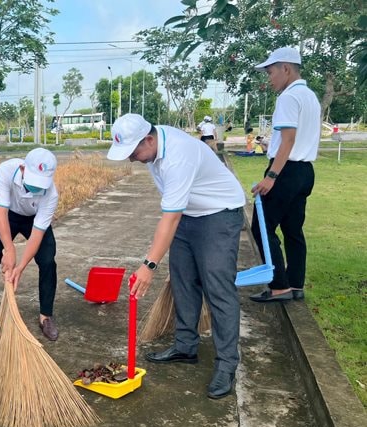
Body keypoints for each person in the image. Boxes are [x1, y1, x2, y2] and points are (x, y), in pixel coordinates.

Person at [107, 113, 246, 400]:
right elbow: (172, 212)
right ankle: (185, 346)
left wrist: (149, 265)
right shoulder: (154, 148)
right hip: (189, 214)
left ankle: (227, 365)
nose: (131, 159)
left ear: (148, 139)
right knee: (183, 280)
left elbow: (169, 219)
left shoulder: (177, 156)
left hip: (219, 213)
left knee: (217, 288)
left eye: (133, 152)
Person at [249, 47, 320, 303]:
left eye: (270, 72)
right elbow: (293, 140)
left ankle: (279, 287)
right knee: (292, 229)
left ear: (286, 69)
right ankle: (295, 283)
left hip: (286, 171)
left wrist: (271, 176)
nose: (269, 78)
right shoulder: (310, 96)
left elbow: (288, 140)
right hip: (304, 171)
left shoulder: (288, 98)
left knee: (261, 226)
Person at [0, 147, 60, 341]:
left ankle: (46, 315)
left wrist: (19, 267)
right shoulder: (6, 170)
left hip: (33, 219)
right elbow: (1, 213)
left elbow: (37, 235)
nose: (36, 188)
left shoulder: (51, 194)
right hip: (8, 216)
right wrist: (9, 249)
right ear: (22, 169)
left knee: (47, 261)